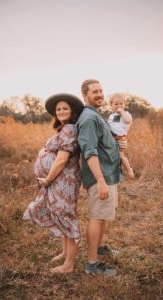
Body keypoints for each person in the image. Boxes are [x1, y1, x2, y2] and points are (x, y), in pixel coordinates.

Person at [23, 93, 84, 273]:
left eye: (65, 108)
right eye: (58, 109)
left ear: (72, 111)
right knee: (59, 214)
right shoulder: (63, 128)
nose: (62, 111)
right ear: (55, 114)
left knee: (65, 216)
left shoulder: (70, 129)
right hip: (59, 180)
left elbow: (61, 160)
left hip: (63, 180)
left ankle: (69, 265)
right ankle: (65, 253)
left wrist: (48, 179)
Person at [76, 79, 121, 277]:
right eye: (95, 91)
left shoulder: (97, 115)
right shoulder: (89, 118)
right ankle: (92, 265)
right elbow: (90, 152)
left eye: (101, 90)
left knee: (102, 215)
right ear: (85, 95)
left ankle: (100, 247)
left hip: (108, 173)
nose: (100, 94)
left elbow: (103, 143)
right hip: (100, 176)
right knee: (96, 216)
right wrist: (101, 181)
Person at [108, 93, 135, 179]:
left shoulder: (126, 114)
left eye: (121, 104)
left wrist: (122, 112)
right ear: (111, 105)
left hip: (119, 138)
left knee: (121, 155)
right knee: (112, 156)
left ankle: (129, 169)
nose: (119, 106)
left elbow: (128, 121)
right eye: (116, 104)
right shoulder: (111, 116)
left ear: (124, 104)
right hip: (111, 137)